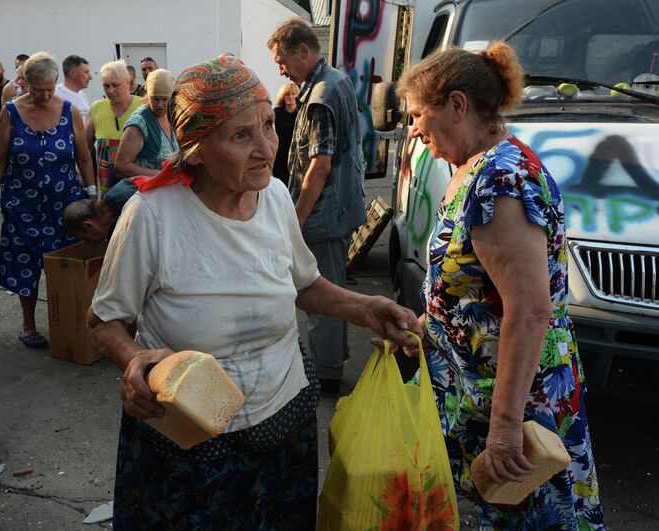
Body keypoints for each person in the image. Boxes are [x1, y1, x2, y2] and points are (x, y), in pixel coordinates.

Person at [86, 53, 421, 529]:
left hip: (284, 418)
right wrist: (131, 358)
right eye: (241, 135)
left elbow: (303, 284)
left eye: (268, 124)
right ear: (196, 147)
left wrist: (367, 308)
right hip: (190, 433)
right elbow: (103, 322)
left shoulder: (276, 197)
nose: (267, 147)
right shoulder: (152, 215)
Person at [396, 43, 605, 529]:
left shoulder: (498, 183)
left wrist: (506, 429)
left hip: (519, 411)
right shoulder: (473, 165)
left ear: (457, 105)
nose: (413, 128)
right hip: (482, 396)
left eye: (417, 115)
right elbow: (476, 288)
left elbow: (530, 310)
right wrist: (430, 326)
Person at [268, 18, 366, 395]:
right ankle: (332, 361)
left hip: (323, 214)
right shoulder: (336, 81)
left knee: (319, 292)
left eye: (282, 60)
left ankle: (325, 374)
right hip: (338, 208)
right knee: (334, 286)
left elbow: (319, 167)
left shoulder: (321, 95)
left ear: (304, 52)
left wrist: (296, 219)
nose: (280, 69)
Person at [0, 51, 96, 349]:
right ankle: (29, 325)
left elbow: (84, 157)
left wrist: (93, 194)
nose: (45, 96)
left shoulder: (69, 110)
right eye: (38, 90)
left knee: (68, 267)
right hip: (22, 205)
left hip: (64, 205)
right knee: (25, 266)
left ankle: (71, 322)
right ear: (25, 84)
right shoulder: (10, 111)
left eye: (49, 89)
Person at [85, 60, 141, 194]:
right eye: (106, 86)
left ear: (127, 82)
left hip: (137, 189)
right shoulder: (96, 109)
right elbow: (84, 152)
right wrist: (90, 188)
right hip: (106, 191)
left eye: (115, 85)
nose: (110, 90)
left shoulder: (142, 106)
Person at [115, 68, 177, 178]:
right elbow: (122, 165)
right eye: (155, 99)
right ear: (148, 95)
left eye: (165, 99)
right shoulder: (140, 122)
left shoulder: (170, 115)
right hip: (145, 191)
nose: (160, 104)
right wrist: (158, 174)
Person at [63, 178, 137, 242]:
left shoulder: (128, 202)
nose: (90, 243)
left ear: (88, 226)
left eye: (85, 238)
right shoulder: (114, 207)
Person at [272, 81, 299, 186]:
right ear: (283, 96)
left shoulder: (301, 112)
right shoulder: (276, 113)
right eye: (287, 94)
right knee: (282, 184)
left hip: (296, 154)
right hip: (281, 155)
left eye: (293, 94)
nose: (290, 96)